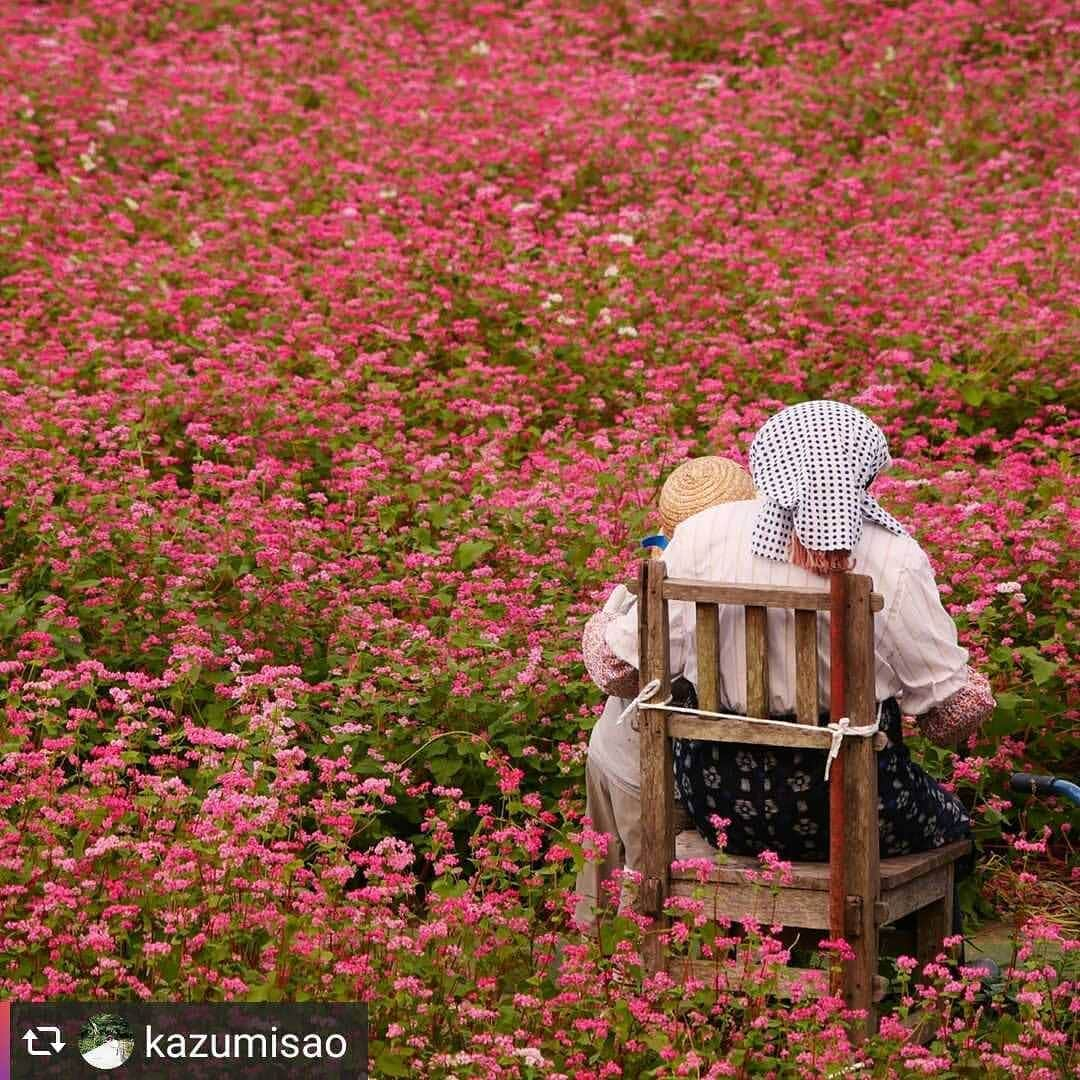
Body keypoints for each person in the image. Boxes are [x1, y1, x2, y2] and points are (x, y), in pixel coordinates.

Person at [585, 402, 993, 894]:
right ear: (866, 469)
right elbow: (949, 717)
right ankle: (931, 963)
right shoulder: (894, 555)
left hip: (718, 805)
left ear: (766, 463)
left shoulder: (699, 536)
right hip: (851, 808)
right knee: (957, 827)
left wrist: (603, 620)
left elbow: (618, 671)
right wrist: (969, 686)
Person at [573, 457, 756, 931]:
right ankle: (630, 981)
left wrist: (604, 619)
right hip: (664, 774)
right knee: (641, 892)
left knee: (604, 883)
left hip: (621, 755)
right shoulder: (757, 583)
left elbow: (613, 670)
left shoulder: (665, 578)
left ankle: (587, 977)